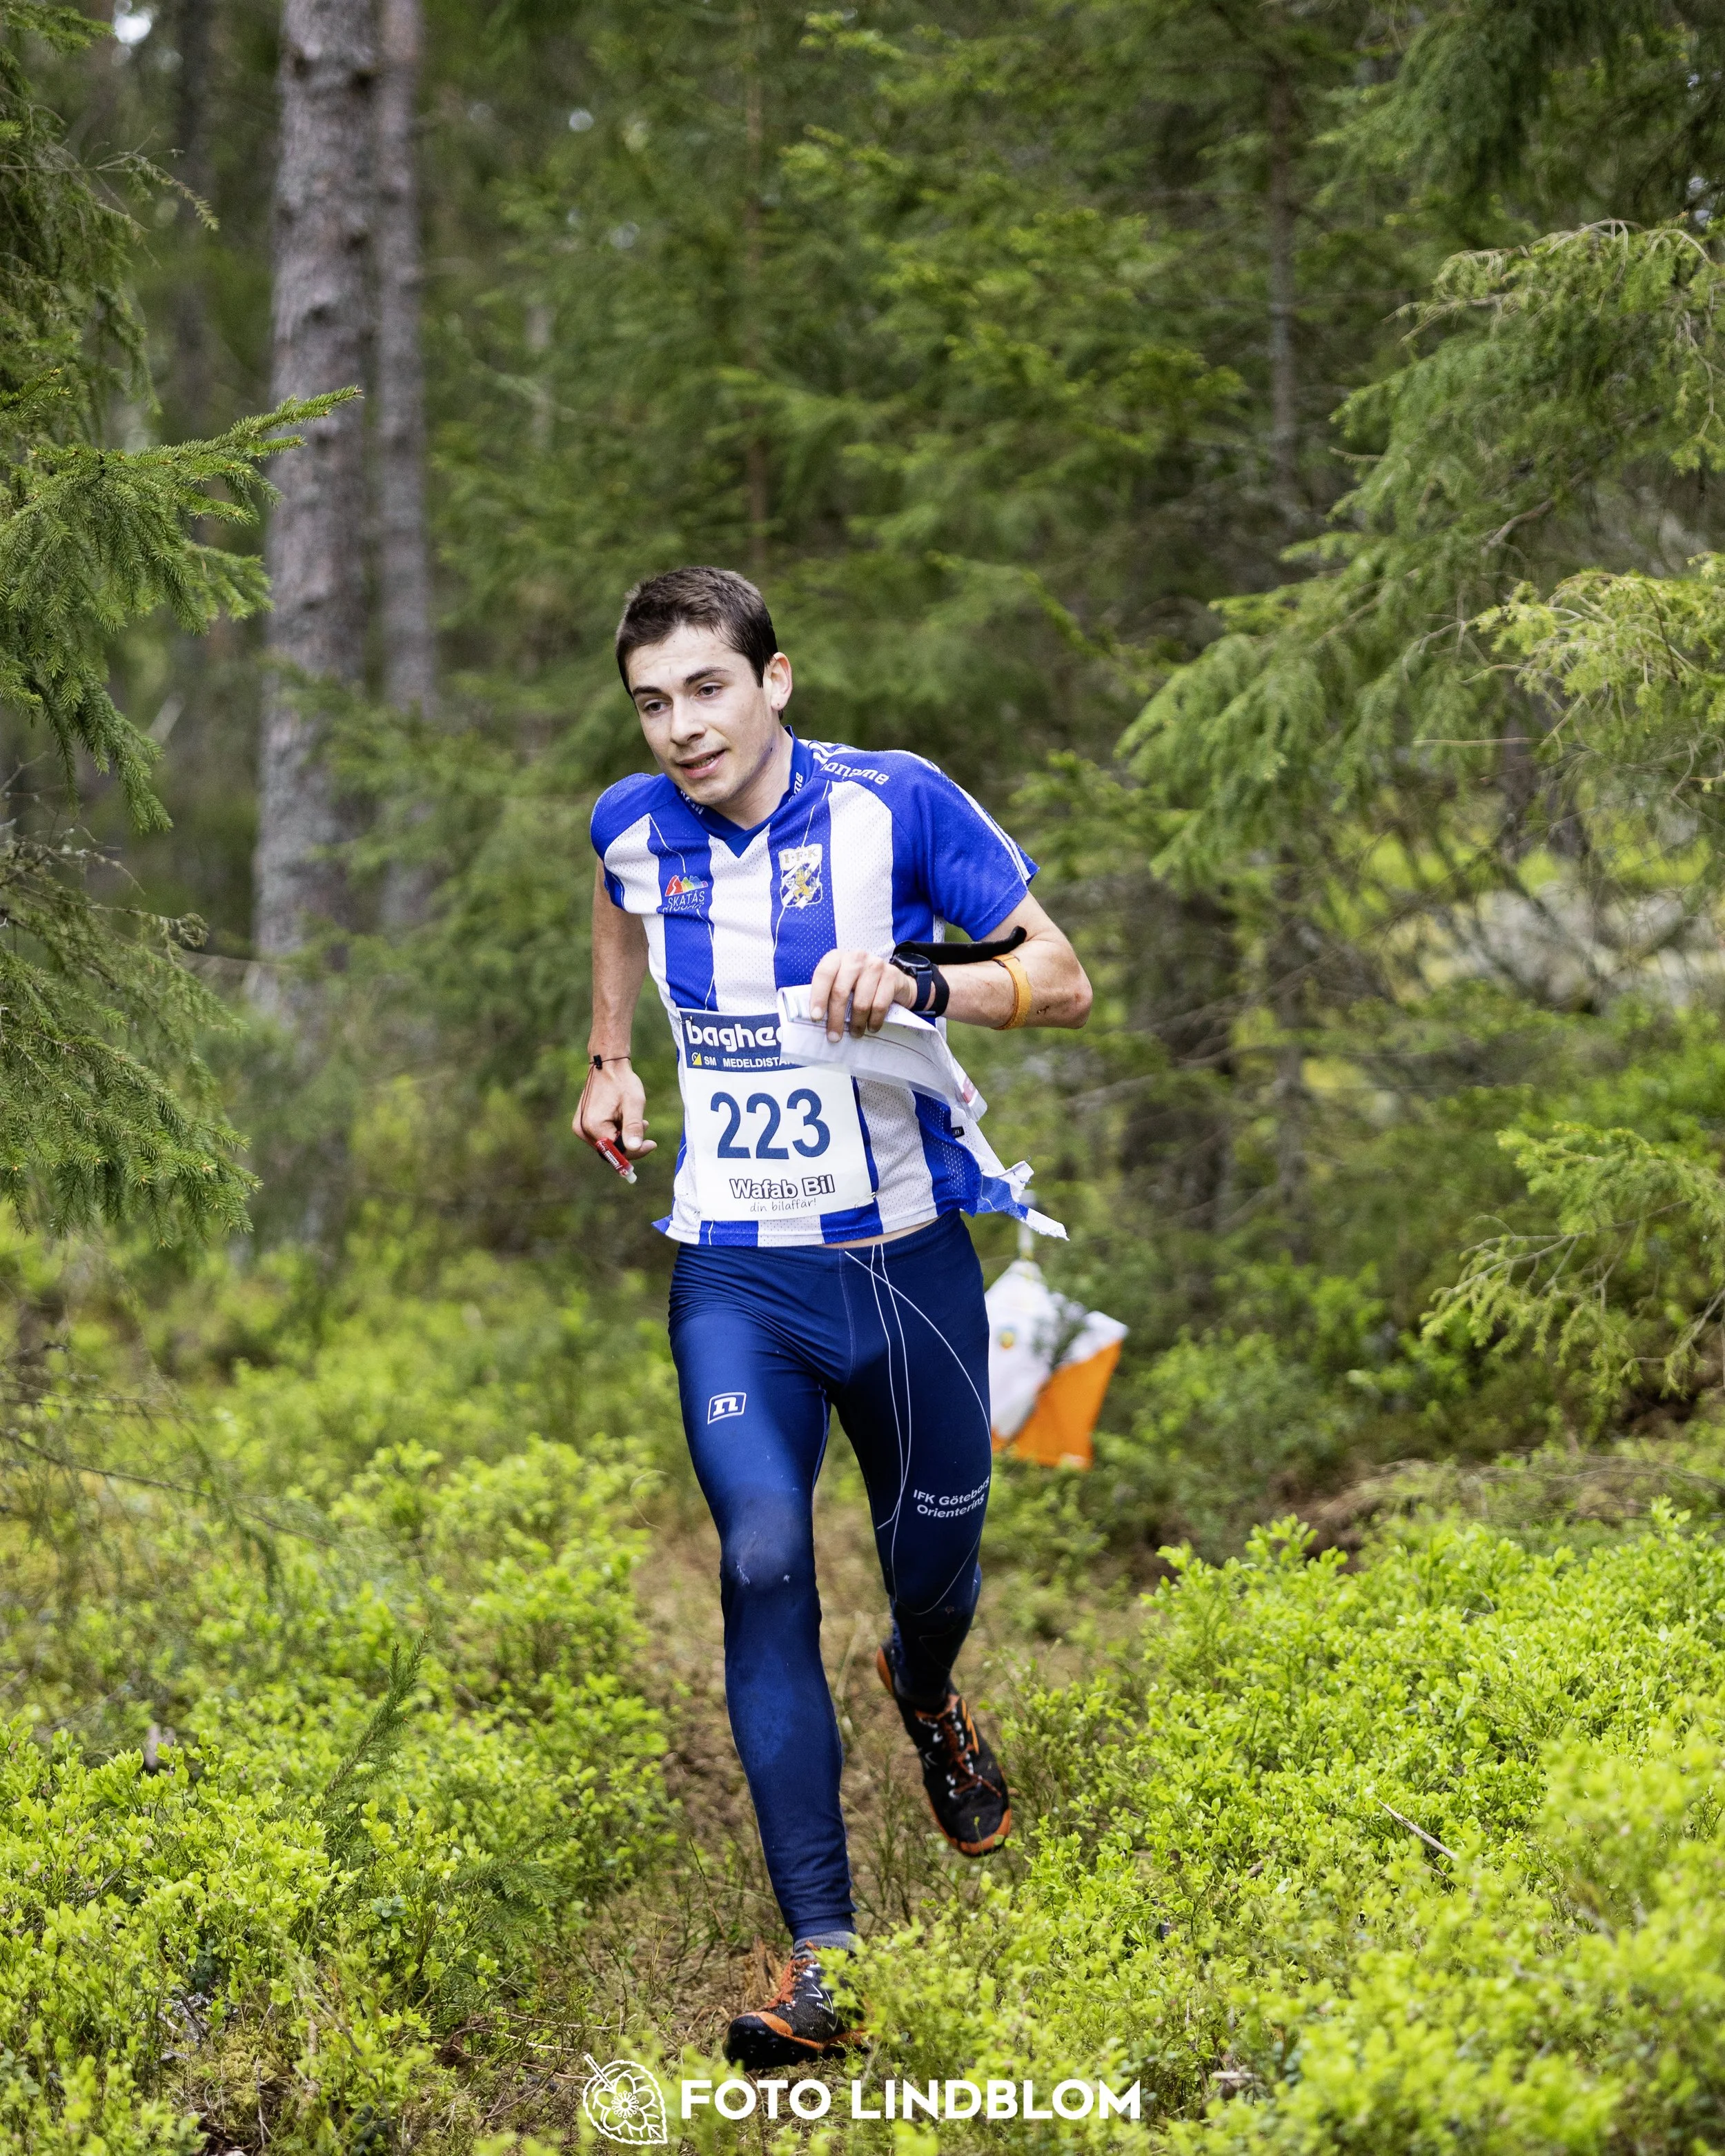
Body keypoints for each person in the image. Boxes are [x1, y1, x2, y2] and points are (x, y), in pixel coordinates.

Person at [577, 566, 1092, 2067]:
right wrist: (609, 1054)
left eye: (707, 689)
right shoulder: (629, 823)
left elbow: (1059, 982)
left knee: (934, 1557)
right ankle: (827, 1959)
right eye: (653, 701)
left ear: (776, 680)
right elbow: (617, 902)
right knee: (758, 1555)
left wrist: (927, 981)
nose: (682, 728)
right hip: (736, 1274)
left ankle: (924, 1689)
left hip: (906, 1261)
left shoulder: (896, 807)